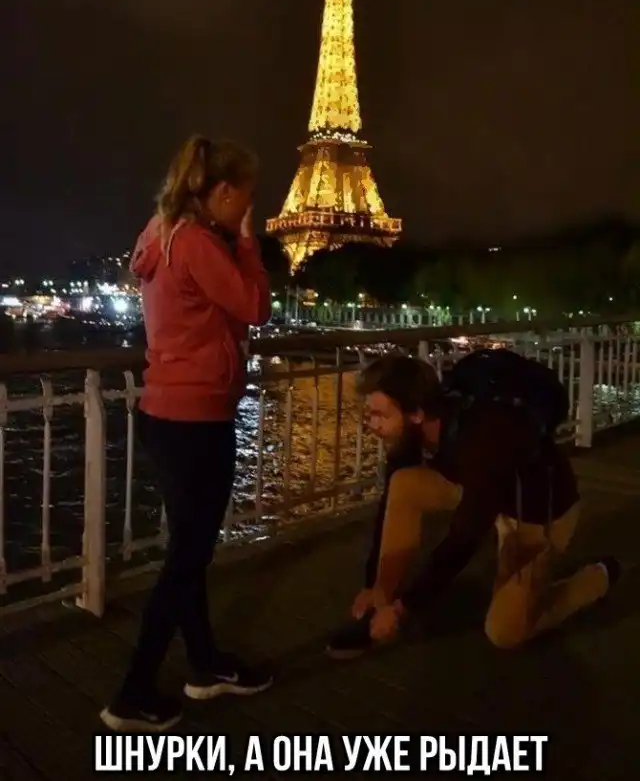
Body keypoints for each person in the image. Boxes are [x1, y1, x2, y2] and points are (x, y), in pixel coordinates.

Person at [101, 134, 273, 732]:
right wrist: (246, 243)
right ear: (222, 191)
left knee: (188, 550)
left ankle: (204, 664)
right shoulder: (199, 242)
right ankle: (132, 692)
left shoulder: (160, 232)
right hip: (197, 418)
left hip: (165, 412)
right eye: (245, 195)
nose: (248, 207)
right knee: (187, 559)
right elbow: (255, 305)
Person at [326, 353, 620, 657]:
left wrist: (406, 607)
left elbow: (464, 538)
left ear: (416, 413)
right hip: (484, 492)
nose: (371, 425)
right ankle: (379, 609)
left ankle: (597, 577)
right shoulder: (415, 434)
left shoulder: (482, 440)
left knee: (505, 631)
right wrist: (372, 583)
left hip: (536, 514)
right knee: (404, 483)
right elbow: (391, 501)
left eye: (380, 415)